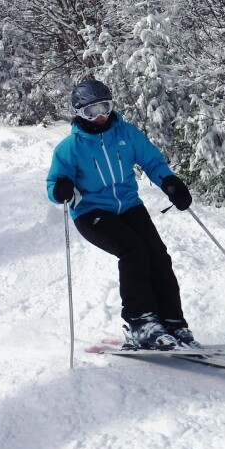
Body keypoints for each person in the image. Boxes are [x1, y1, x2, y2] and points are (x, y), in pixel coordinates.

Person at [46, 79, 200, 350]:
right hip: (90, 211)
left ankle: (173, 322)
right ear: (78, 112)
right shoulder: (69, 148)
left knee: (157, 255)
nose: (101, 116)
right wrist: (61, 189)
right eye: (91, 112)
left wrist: (170, 183)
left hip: (128, 205)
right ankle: (141, 323)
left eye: (105, 107)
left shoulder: (126, 134)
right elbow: (54, 184)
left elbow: (152, 161)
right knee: (133, 251)